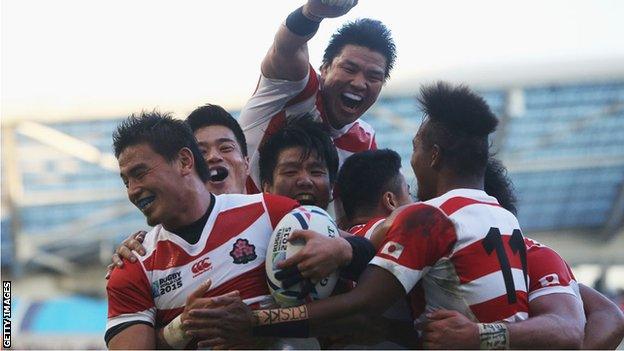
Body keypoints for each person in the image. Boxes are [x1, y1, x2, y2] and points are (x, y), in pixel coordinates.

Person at [179, 82, 562, 348]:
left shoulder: (426, 219)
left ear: (434, 156)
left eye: (415, 148)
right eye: (290, 172)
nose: (412, 162)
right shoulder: (506, 223)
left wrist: (252, 323)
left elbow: (364, 304)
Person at [105, 112, 358, 349]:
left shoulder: (271, 212)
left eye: (140, 174)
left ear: (184, 161)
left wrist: (343, 249)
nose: (133, 190)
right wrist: (183, 326)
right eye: (126, 181)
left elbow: (366, 276)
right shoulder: (133, 265)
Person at [240, 0, 396, 201]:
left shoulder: (365, 142)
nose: (359, 83)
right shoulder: (294, 89)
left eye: (373, 76)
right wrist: (312, 13)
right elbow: (286, 48)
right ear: (325, 69)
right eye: (349, 69)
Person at [106, 104, 250, 276]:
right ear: (187, 162)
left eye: (226, 148)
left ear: (247, 163)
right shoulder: (142, 257)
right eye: (202, 151)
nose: (213, 157)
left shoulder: (275, 216)